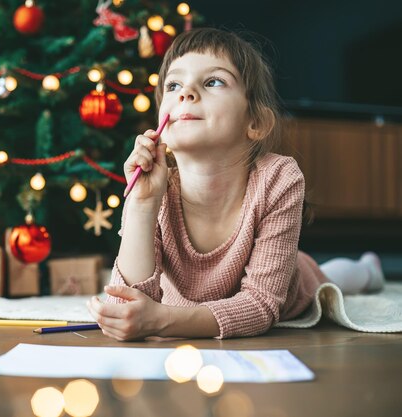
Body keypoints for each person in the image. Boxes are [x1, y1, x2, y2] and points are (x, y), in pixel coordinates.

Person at [86, 27, 385, 341]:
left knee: (335, 279)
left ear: (255, 123)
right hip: (186, 308)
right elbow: (124, 303)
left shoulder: (279, 178)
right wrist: (142, 206)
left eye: (213, 81)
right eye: (174, 84)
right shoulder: (153, 189)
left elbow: (260, 305)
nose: (186, 93)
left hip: (292, 284)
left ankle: (368, 269)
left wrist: (161, 320)